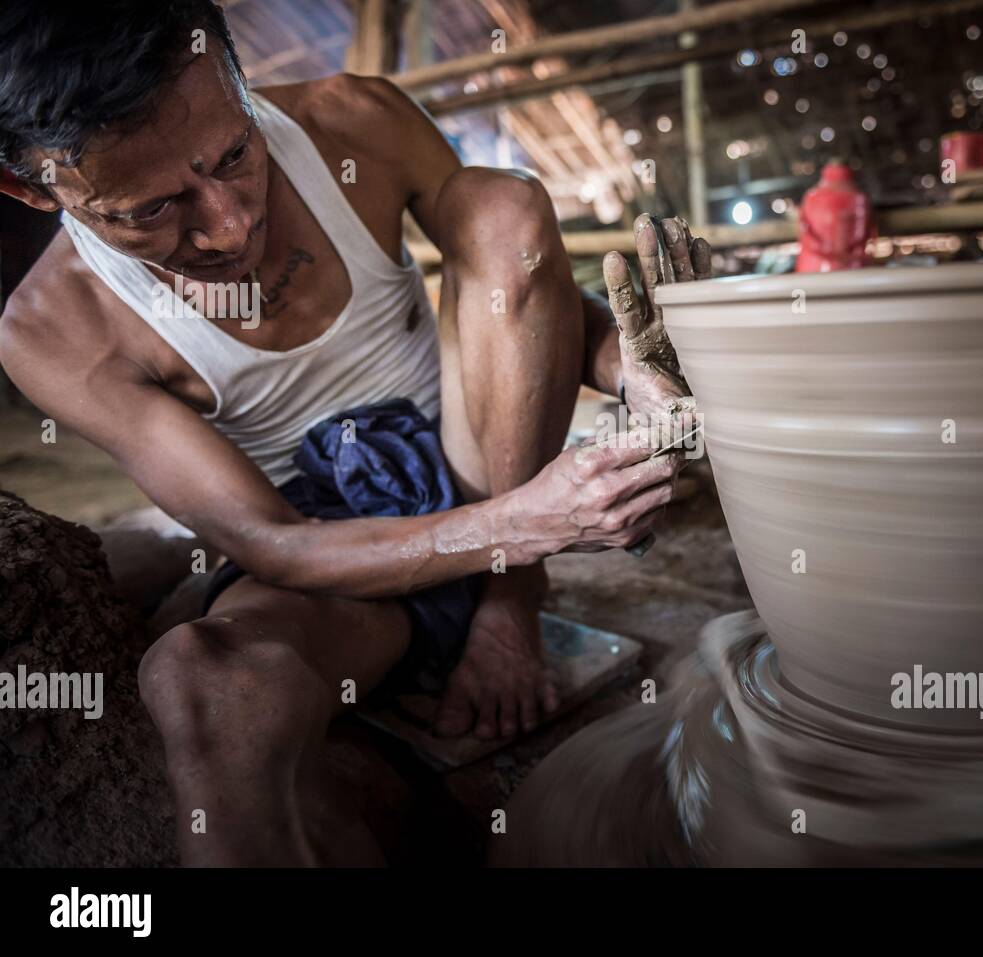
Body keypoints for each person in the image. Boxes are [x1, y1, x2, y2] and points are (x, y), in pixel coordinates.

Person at [0, 0, 707, 865]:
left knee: (504, 206)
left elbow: (520, 286)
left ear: (232, 75)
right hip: (337, 556)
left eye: (233, 154)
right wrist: (533, 520)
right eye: (151, 209)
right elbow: (274, 544)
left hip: (482, 451)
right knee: (201, 679)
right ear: (33, 189)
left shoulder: (351, 121)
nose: (228, 224)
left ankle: (508, 605)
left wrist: (627, 367)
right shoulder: (51, 327)